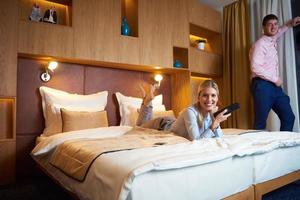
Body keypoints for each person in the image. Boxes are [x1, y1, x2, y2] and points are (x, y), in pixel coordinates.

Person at [249, 14, 300, 131]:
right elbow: (255, 67)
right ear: (264, 27)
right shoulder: (260, 44)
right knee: (260, 123)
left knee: (289, 117)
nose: (274, 27)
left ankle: (283, 146)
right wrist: (275, 79)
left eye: (275, 24)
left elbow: (278, 32)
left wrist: (289, 24)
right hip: (262, 85)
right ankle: (259, 148)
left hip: (274, 87)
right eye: (270, 25)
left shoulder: (272, 39)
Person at [136, 80, 230, 140]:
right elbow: (197, 141)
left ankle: (146, 100)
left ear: (217, 98)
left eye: (213, 95)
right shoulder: (190, 112)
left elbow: (219, 138)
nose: (209, 100)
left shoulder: (212, 111)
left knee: (142, 123)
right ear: (198, 97)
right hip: (163, 124)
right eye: (205, 95)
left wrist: (215, 122)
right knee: (139, 127)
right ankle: (147, 102)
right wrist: (214, 125)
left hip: (173, 121)